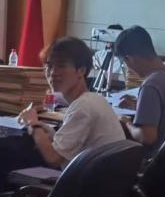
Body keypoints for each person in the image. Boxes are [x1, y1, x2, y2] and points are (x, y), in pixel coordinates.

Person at [17, 37, 125, 167]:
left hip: (90, 179)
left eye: (61, 66)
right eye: (49, 66)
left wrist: (33, 124)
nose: (53, 72)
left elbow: (53, 158)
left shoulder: (83, 106)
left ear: (81, 71)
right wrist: (47, 132)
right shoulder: (95, 99)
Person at [114, 26, 165, 151]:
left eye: (124, 62)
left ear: (129, 59)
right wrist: (140, 106)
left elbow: (147, 137)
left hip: (158, 159)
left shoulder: (151, 85)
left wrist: (126, 123)